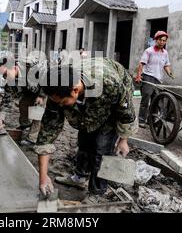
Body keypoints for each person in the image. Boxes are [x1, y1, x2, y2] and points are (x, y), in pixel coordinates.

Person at [35, 58, 137, 201]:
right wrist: (43, 177)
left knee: (102, 147)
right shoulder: (58, 91)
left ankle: (97, 192)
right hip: (89, 92)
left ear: (75, 90)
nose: (60, 106)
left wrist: (124, 139)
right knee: (85, 136)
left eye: (63, 103)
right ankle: (79, 177)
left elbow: (125, 111)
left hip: (114, 98)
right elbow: (47, 134)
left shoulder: (109, 85)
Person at [0, 54, 46, 143]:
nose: (5, 77)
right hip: (31, 91)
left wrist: (42, 95)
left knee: (38, 108)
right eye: (3, 75)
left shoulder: (31, 66)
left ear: (14, 67)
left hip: (45, 89)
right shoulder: (11, 82)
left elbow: (47, 77)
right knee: (23, 103)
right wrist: (0, 119)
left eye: (6, 73)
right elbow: (7, 101)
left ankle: (32, 137)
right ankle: (25, 125)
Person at [135, 31, 174, 128]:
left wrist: (169, 72)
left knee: (155, 101)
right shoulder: (149, 51)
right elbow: (141, 64)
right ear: (156, 40)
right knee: (146, 100)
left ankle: (150, 121)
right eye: (160, 40)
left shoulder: (165, 53)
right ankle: (141, 120)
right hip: (148, 77)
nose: (162, 42)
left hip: (159, 80)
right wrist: (139, 76)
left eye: (164, 41)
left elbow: (166, 65)